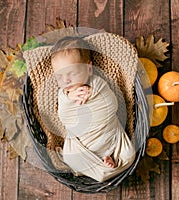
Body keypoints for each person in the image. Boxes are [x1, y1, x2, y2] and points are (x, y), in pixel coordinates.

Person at [51, 36, 135, 182]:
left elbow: (112, 104)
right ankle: (106, 166)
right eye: (60, 76)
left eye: (72, 73)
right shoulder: (64, 95)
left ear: (89, 69)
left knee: (129, 155)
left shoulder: (98, 84)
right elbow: (64, 117)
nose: (66, 81)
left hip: (111, 137)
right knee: (70, 157)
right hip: (83, 147)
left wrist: (93, 92)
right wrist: (70, 98)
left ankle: (106, 165)